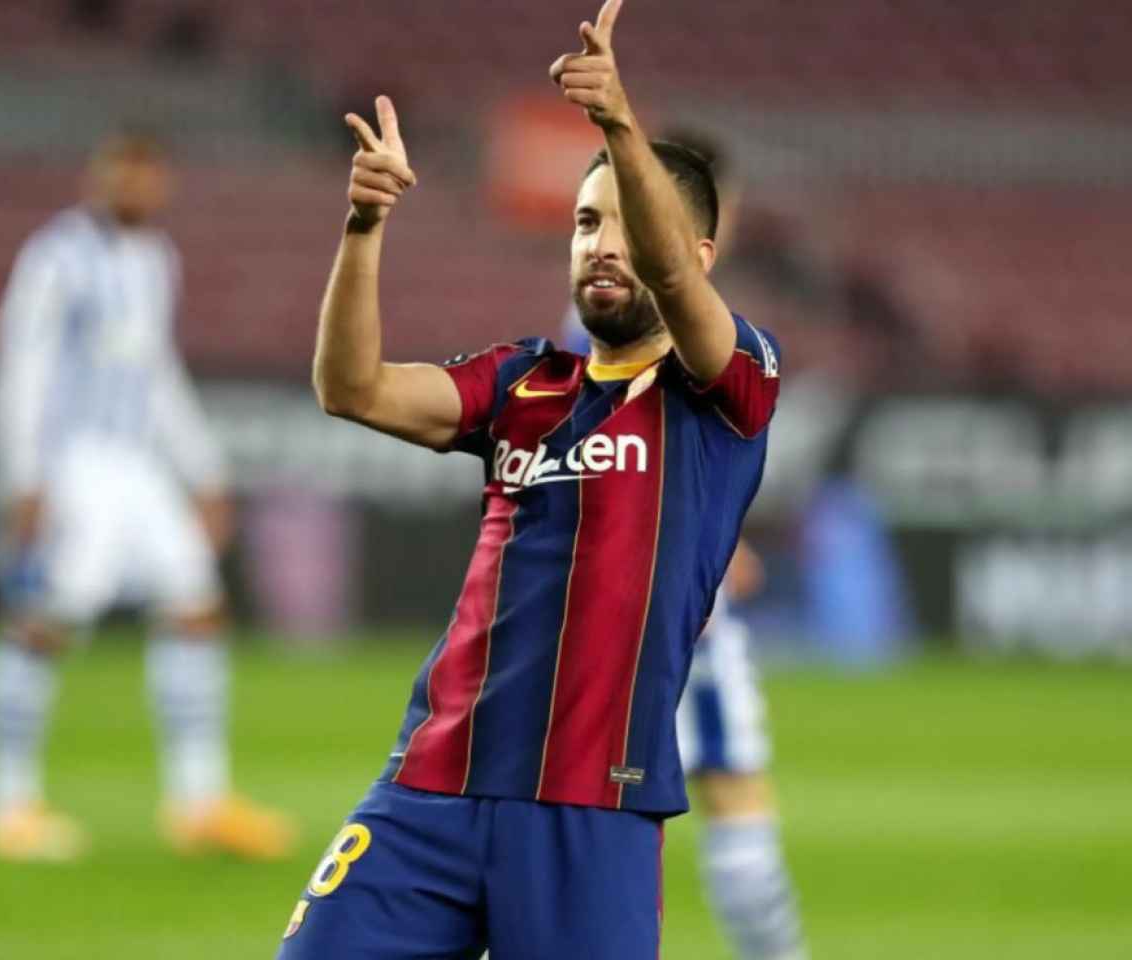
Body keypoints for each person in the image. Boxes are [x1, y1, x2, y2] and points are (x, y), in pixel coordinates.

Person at [280, 2, 782, 956]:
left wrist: (620, 126)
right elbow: (350, 388)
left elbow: (680, 289)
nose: (602, 243)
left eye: (630, 226)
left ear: (697, 258)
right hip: (430, 788)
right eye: (587, 222)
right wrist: (362, 226)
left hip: (592, 806)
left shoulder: (726, 391)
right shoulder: (522, 381)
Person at [0, 130, 294, 862]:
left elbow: (157, 374)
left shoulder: (157, 261)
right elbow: (20, 365)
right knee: (44, 619)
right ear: (100, 176)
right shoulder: (55, 257)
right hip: (74, 463)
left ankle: (199, 800)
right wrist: (24, 477)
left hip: (138, 464)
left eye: (150, 175)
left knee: (196, 606)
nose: (138, 186)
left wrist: (202, 469)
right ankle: (7, 802)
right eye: (126, 172)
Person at [561, 132, 809, 960]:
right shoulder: (623, 318)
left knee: (662, 800)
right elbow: (584, 457)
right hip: (644, 616)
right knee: (715, 793)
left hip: (646, 605)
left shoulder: (655, 315)